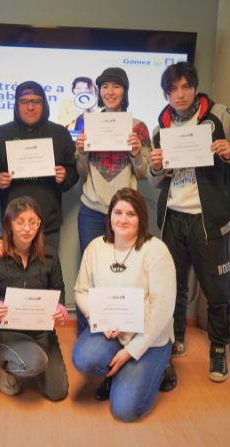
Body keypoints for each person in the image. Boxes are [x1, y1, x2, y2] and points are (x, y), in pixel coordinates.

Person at [148, 62, 230, 383]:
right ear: (166, 94)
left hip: (209, 220)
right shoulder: (160, 127)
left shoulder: (217, 115)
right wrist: (156, 167)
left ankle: (218, 349)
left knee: (217, 290)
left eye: (185, 87)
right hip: (172, 219)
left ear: (195, 88)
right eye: (173, 89)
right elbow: (154, 182)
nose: (180, 94)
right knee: (172, 285)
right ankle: (176, 337)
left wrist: (229, 151)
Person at [71, 188, 176, 423]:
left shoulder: (156, 251)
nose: (123, 219)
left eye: (131, 214)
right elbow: (81, 291)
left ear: (141, 218)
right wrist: (98, 319)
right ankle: (117, 371)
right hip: (111, 331)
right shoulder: (96, 248)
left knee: (124, 410)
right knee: (83, 358)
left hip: (149, 339)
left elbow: (163, 310)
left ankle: (162, 367)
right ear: (109, 216)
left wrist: (131, 351)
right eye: (118, 212)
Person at [74, 67, 151, 336]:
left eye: (116, 87)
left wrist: (136, 152)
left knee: (126, 273)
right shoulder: (87, 121)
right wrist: (81, 152)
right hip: (92, 211)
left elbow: (143, 173)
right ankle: (88, 334)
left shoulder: (138, 126)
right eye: (104, 87)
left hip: (125, 213)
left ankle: (126, 331)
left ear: (124, 91)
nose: (110, 92)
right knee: (90, 275)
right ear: (98, 92)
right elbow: (82, 171)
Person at [0, 197, 69, 401]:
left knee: (58, 392)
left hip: (40, 329)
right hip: (5, 331)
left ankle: (31, 360)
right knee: (35, 362)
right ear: (9, 224)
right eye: (20, 222)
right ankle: (5, 366)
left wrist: (60, 308)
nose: (27, 228)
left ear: (39, 225)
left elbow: (58, 289)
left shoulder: (50, 254)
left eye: (32, 222)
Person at [0, 81, 79, 249]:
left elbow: (74, 170)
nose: (30, 107)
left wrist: (65, 176)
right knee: (11, 273)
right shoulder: (1, 134)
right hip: (13, 223)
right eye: (24, 102)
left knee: (46, 273)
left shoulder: (60, 133)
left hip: (48, 224)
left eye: (36, 101)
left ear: (44, 104)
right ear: (16, 105)